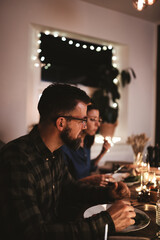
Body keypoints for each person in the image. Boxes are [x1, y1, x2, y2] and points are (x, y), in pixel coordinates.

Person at [0, 83, 135, 240]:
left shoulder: (56, 151)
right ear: (61, 123)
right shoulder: (17, 159)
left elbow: (71, 188)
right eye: (82, 120)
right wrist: (106, 222)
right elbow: (33, 233)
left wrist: (108, 193)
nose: (84, 127)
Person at [61, 104, 112, 186]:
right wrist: (90, 180)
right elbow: (65, 185)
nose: (98, 124)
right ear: (81, 120)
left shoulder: (86, 142)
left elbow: (87, 167)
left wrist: (102, 153)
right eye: (93, 119)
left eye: (99, 120)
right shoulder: (65, 148)